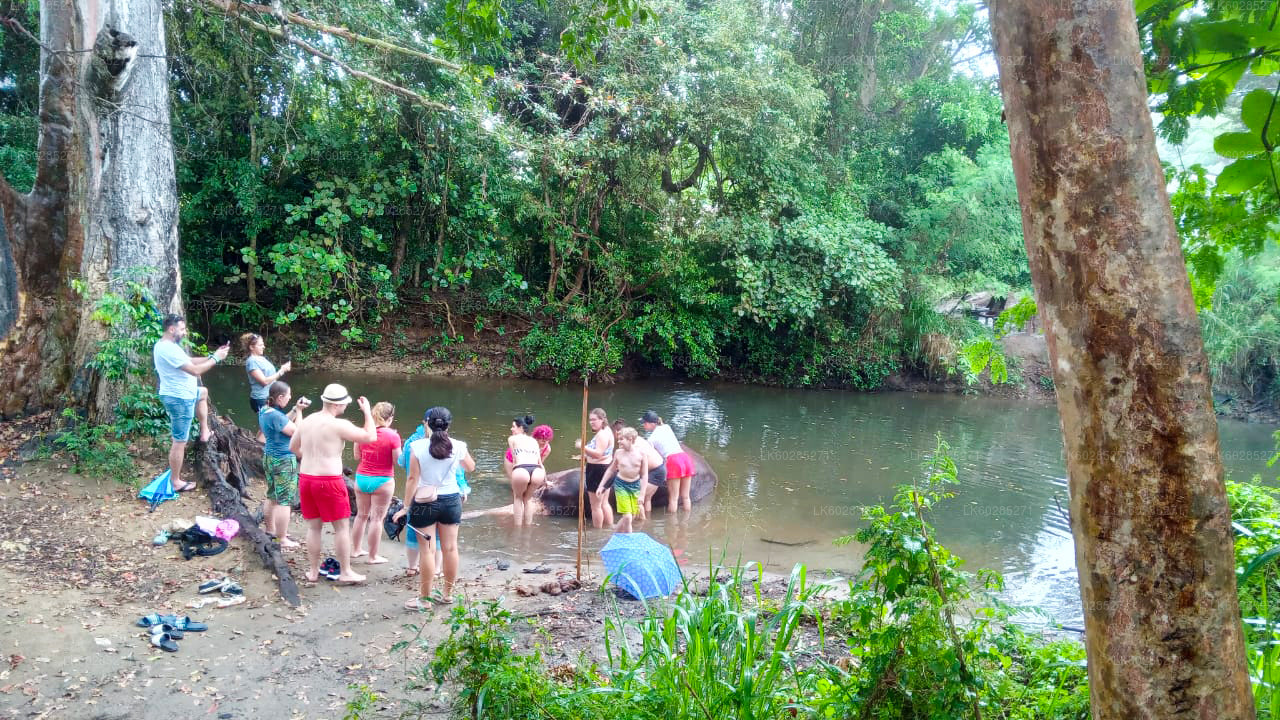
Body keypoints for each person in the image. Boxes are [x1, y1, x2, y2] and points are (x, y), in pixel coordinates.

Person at [289, 384, 376, 584]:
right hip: (328, 481)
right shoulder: (338, 424)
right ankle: (345, 571)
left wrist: (310, 458)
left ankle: (313, 572)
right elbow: (370, 437)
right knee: (341, 528)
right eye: (345, 403)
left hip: (306, 478)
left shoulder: (307, 420)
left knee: (314, 528)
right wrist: (367, 412)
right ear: (338, 405)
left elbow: (293, 447)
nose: (346, 406)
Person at [396, 407, 475, 610]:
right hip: (451, 501)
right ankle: (448, 595)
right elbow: (470, 467)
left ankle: (425, 600)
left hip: (424, 502)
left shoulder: (416, 446)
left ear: (427, 424)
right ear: (449, 424)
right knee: (451, 548)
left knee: (427, 552)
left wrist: (406, 506)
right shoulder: (459, 446)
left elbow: (412, 479)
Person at [153, 315, 229, 492]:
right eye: (182, 329)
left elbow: (190, 361)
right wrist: (216, 359)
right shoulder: (167, 349)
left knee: (203, 393)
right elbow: (195, 370)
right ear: (171, 329)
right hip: (180, 399)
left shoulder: (170, 346)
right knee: (179, 441)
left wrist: (212, 355)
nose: (184, 332)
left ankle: (204, 431)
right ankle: (175, 481)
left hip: (185, 394)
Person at [259, 381, 310, 548]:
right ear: (280, 397)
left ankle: (271, 531)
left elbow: (282, 422)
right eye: (288, 395)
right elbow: (298, 432)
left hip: (269, 457)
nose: (290, 397)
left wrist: (295, 409)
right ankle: (281, 538)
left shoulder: (265, 410)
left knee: (272, 496)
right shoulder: (276, 416)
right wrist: (300, 413)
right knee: (284, 501)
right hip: (283, 461)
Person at [351, 402, 401, 565]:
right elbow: (397, 461)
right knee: (377, 519)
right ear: (390, 418)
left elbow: (357, 456)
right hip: (382, 480)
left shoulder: (363, 432)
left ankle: (355, 550)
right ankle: (372, 557)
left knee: (361, 516)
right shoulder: (393, 436)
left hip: (362, 478)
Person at [642, 410, 695, 512]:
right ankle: (687, 519)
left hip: (673, 461)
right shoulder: (666, 427)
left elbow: (650, 455)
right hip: (685, 458)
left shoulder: (651, 439)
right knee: (686, 496)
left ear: (651, 424)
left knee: (673, 499)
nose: (643, 425)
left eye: (645, 423)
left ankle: (672, 522)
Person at [597, 427, 648, 534]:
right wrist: (601, 486)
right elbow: (611, 470)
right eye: (618, 439)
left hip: (635, 485)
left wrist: (642, 494)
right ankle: (629, 540)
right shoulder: (618, 453)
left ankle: (614, 534)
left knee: (631, 516)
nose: (618, 442)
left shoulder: (642, 454)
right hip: (621, 485)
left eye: (621, 439)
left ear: (630, 439)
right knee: (628, 517)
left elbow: (644, 475)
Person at [241, 333, 290, 441]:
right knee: (268, 427)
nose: (263, 346)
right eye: (260, 345)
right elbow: (264, 381)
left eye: (263, 344)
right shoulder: (252, 362)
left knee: (264, 427)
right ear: (251, 347)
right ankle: (260, 447)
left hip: (268, 397)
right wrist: (281, 371)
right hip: (261, 399)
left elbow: (271, 376)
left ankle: (256, 444)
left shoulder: (261, 358)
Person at [576, 408, 614, 529]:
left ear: (602, 419)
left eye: (594, 420)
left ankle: (598, 532)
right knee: (604, 503)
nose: (591, 422)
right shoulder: (608, 431)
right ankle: (609, 527)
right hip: (606, 467)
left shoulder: (602, 434)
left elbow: (598, 453)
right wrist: (586, 456)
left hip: (597, 470)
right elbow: (604, 453)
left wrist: (582, 447)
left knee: (596, 506)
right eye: (590, 420)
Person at [507, 415, 546, 527]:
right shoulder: (534, 441)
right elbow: (540, 462)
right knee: (528, 499)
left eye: (513, 426)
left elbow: (514, 459)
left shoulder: (512, 438)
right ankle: (528, 528)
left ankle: (517, 529)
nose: (511, 429)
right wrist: (546, 480)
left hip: (521, 469)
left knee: (518, 498)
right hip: (537, 471)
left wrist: (513, 475)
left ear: (521, 428)